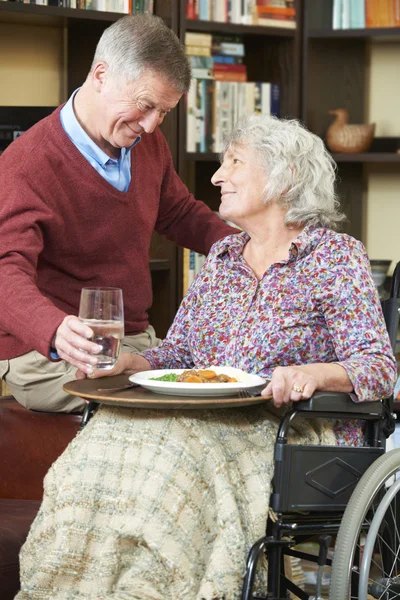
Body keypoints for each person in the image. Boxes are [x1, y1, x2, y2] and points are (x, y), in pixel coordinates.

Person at [16, 115, 396, 600]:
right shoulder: (220, 259)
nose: (217, 177)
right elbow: (180, 353)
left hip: (288, 427)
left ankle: (155, 589)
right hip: (201, 415)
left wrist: (313, 374)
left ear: (285, 177)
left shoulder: (336, 258)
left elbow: (379, 367)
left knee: (171, 461)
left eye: (234, 162)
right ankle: (73, 586)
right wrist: (131, 364)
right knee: (103, 438)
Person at [0, 14, 234, 413]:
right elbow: (5, 270)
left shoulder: (148, 142)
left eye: (163, 112)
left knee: (226, 389)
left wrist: (248, 244)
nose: (150, 125)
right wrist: (53, 329)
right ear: (101, 75)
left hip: (135, 343)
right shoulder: (26, 164)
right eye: (145, 106)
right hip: (50, 355)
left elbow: (177, 212)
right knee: (164, 412)